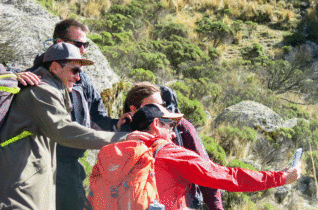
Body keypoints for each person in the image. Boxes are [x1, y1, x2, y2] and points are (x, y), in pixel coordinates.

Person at [0, 43, 147, 210]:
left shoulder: (52, 90)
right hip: (20, 187)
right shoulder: (42, 92)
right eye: (74, 70)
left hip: (26, 183)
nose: (78, 78)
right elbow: (64, 130)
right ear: (55, 67)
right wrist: (122, 138)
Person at [17, 19, 129, 210]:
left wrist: (119, 127)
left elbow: (96, 116)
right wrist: (12, 77)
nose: (83, 50)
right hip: (42, 164)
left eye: (85, 45)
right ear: (59, 42)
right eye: (78, 44)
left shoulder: (81, 78)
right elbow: (62, 130)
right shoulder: (35, 79)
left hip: (72, 164)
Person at [128, 104, 301, 209]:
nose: (173, 134)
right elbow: (229, 177)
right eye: (170, 126)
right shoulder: (170, 154)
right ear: (157, 124)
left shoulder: (114, 153)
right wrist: (280, 178)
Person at [121, 82, 224, 209]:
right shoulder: (125, 132)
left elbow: (205, 171)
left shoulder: (180, 127)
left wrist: (216, 207)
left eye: (161, 105)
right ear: (134, 109)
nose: (159, 111)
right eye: (152, 106)